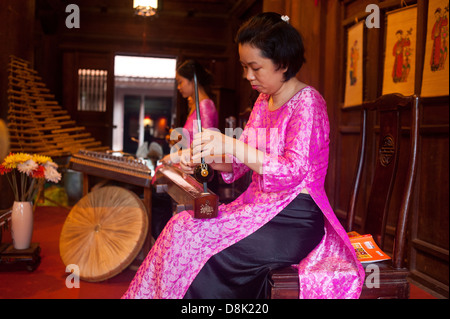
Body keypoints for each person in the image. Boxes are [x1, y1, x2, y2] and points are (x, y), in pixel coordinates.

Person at [123, 12, 364, 299]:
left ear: (283, 63)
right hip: (258, 208)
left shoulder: (308, 102)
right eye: (244, 67)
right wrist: (206, 156)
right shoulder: (264, 101)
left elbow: (293, 171)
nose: (247, 76)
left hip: (294, 218)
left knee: (197, 241)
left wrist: (230, 143)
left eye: (255, 67)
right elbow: (238, 165)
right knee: (181, 226)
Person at [152, 60, 218, 239]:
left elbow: (204, 145)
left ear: (193, 81)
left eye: (181, 82)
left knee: (158, 198)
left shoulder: (205, 106)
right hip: (189, 164)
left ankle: (162, 241)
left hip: (196, 171)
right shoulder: (197, 106)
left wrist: (174, 156)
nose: (179, 87)